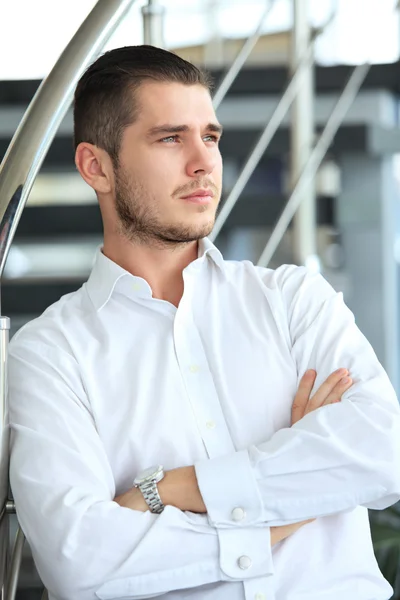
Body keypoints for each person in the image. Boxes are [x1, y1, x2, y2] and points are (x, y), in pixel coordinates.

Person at [8, 45, 400, 600]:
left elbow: (383, 452)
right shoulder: (51, 352)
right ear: (96, 167)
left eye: (210, 137)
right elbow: (80, 559)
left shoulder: (293, 299)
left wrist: (168, 489)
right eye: (171, 137)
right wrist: (284, 509)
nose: (204, 162)